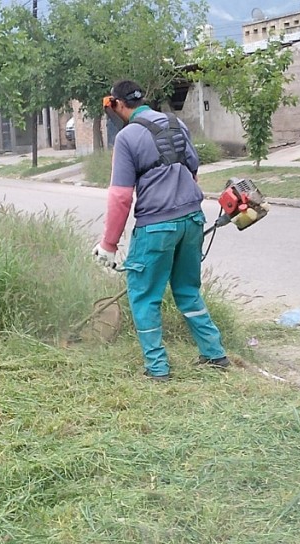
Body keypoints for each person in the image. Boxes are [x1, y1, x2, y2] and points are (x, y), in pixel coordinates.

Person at [92, 80, 229, 381]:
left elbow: (121, 196)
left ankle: (157, 369)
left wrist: (109, 244)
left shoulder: (127, 137)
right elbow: (193, 172)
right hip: (192, 219)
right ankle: (214, 353)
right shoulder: (176, 124)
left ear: (115, 104)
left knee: (144, 296)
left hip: (156, 226)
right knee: (187, 291)